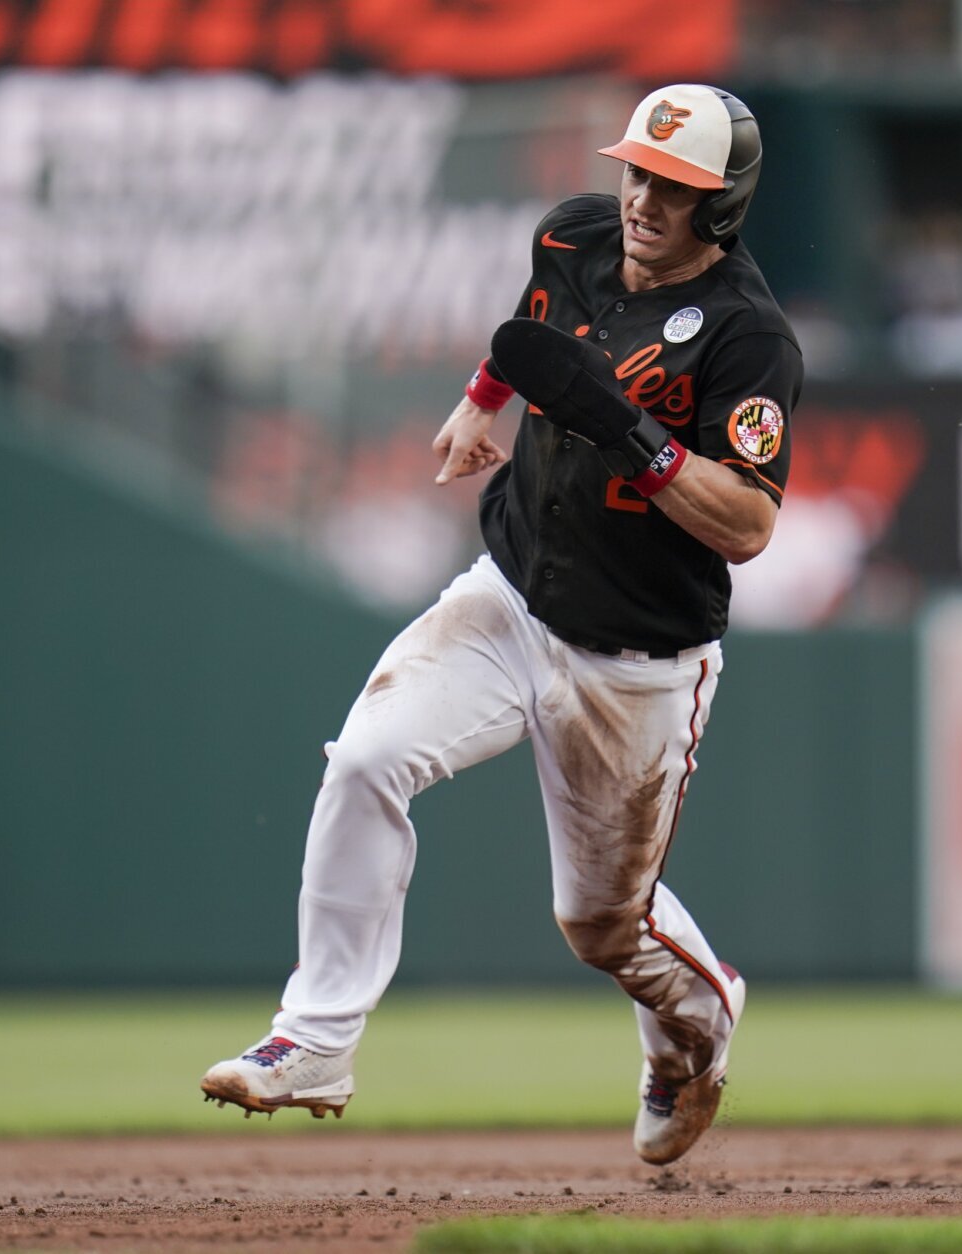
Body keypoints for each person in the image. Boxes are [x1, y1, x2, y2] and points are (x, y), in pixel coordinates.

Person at [199, 84, 802, 1168]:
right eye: (638, 172)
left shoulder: (746, 336)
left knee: (601, 928)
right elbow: (536, 328)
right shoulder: (574, 234)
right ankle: (316, 1039)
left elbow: (749, 524)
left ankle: (696, 1030)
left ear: (721, 205)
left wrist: (625, 432)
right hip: (511, 593)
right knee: (366, 758)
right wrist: (484, 397)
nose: (643, 199)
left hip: (637, 658)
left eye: (675, 188)